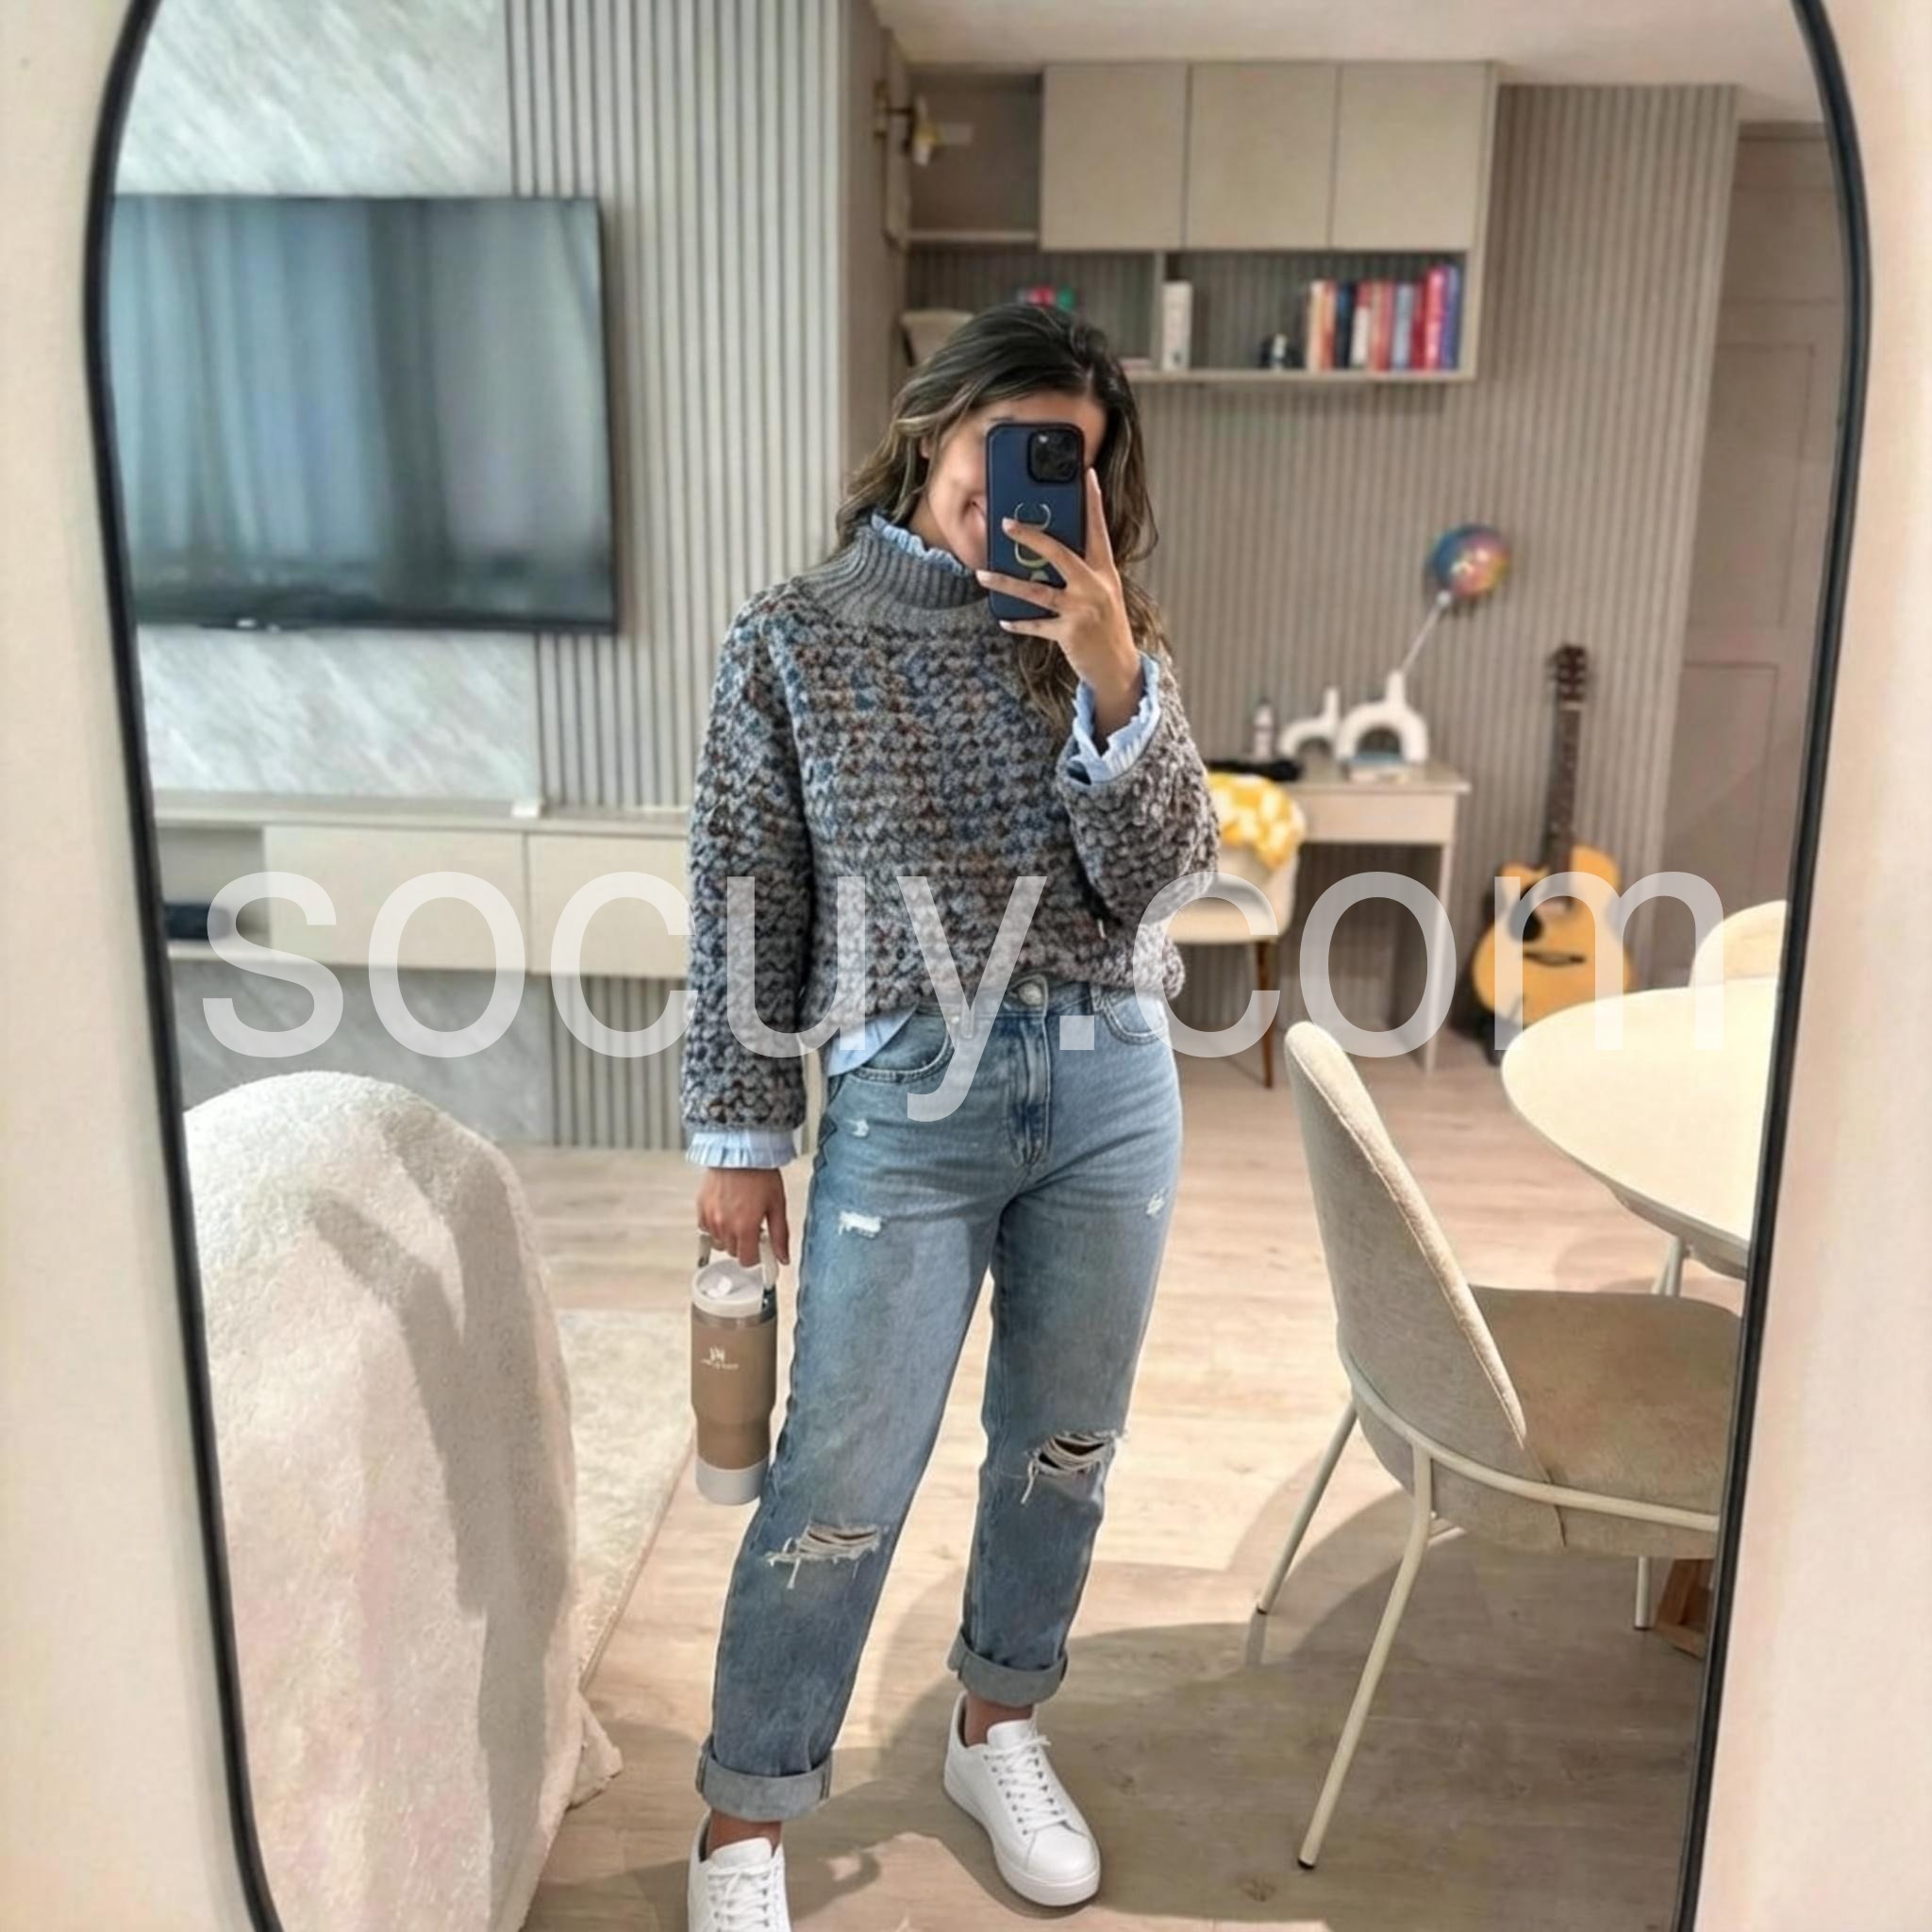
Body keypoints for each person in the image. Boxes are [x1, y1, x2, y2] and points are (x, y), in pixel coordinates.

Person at [680, 302, 1220, 1930]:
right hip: (907, 1096)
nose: (1027, 485)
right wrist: (738, 1140)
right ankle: (746, 1816)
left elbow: (1163, 880)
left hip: (1111, 1080)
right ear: (937, 424)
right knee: (841, 1467)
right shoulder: (792, 638)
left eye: (1071, 460)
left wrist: (1112, 676)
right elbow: (744, 896)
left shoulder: (1100, 630)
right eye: (1010, 442)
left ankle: (997, 1728)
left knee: (1064, 1446)